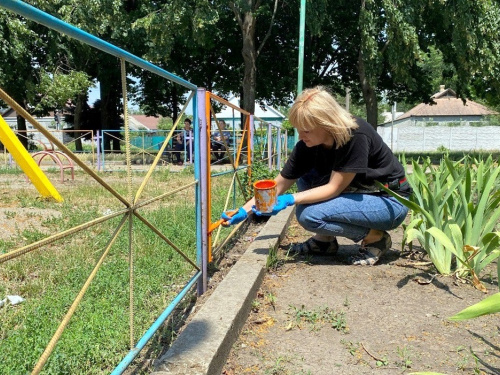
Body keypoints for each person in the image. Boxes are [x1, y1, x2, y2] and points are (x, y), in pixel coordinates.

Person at [221, 86, 411, 266]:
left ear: (326, 123)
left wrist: (290, 199)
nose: (301, 135)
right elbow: (279, 184)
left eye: (306, 130)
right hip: (360, 194)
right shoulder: (308, 145)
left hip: (389, 201)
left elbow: (333, 188)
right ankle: (324, 242)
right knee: (305, 176)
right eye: (298, 128)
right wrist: (244, 211)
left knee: (309, 215)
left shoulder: (355, 135)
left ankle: (376, 237)